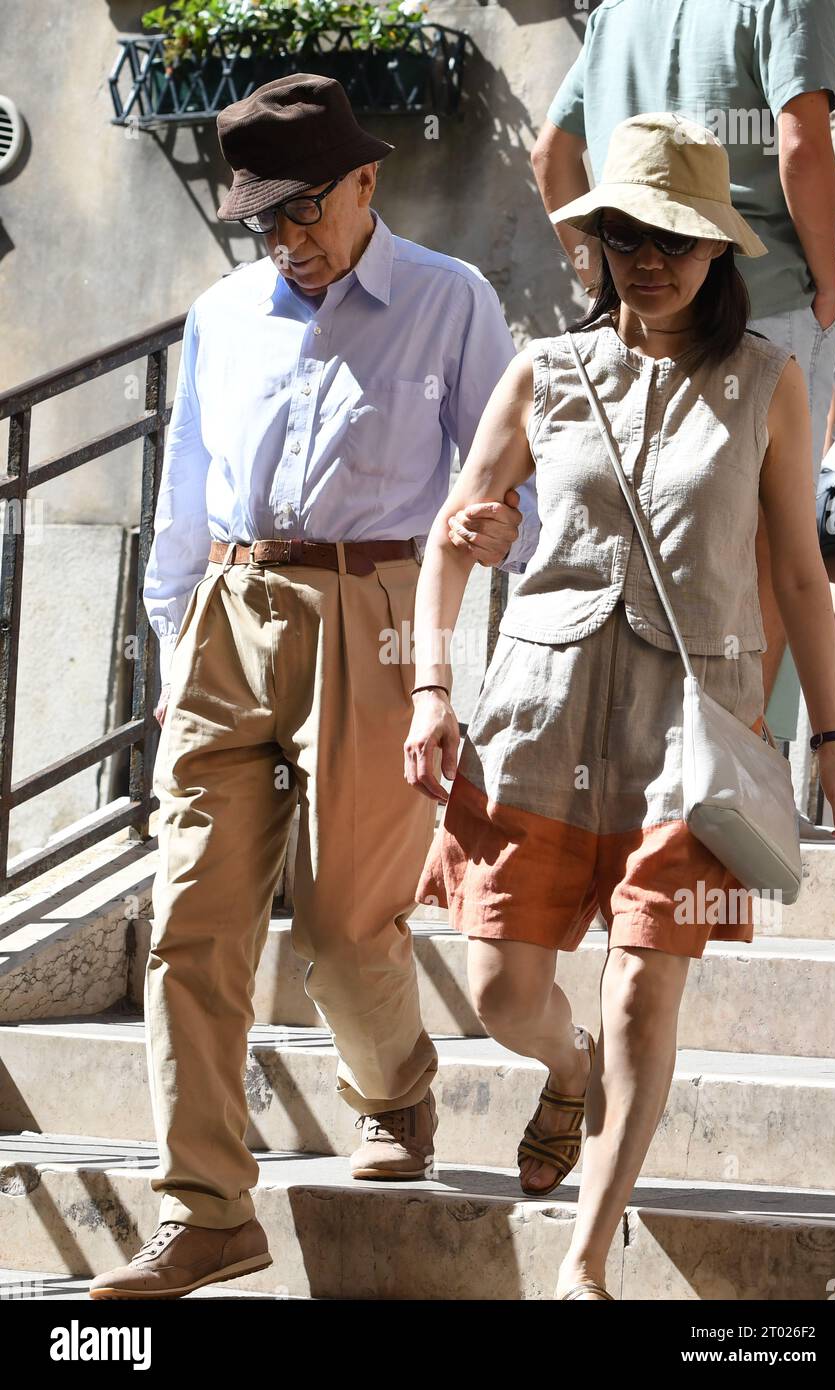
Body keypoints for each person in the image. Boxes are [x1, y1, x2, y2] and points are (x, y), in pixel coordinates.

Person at [89, 74, 539, 1300]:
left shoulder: (450, 301)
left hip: (380, 617)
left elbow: (515, 490)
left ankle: (393, 1091)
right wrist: (178, 634)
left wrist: (498, 562)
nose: (287, 240)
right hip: (231, 619)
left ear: (362, 182)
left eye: (303, 212)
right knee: (193, 927)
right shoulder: (224, 312)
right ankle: (204, 1210)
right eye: (264, 220)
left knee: (343, 931)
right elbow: (183, 488)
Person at [404, 114, 835, 1302]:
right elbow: (452, 542)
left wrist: (830, 731)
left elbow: (801, 579)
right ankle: (564, 1070)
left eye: (669, 234)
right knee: (505, 985)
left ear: (715, 249)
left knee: (641, 987)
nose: (644, 255)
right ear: (594, 242)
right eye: (619, 232)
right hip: (535, 722)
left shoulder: (767, 382)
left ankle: (583, 1261)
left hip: (694, 738)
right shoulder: (542, 373)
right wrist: (431, 683)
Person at [531, 0, 835, 756]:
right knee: (774, 547)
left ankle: (655, 760)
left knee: (644, 533)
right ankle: (740, 771)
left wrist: (596, 274)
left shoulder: (615, 11)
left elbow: (551, 158)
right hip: (758, 297)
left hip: (636, 317)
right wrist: (827, 282)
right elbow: (803, 149)